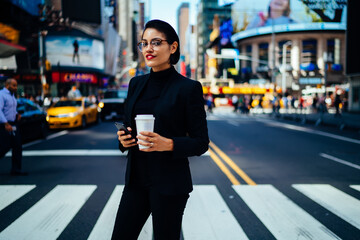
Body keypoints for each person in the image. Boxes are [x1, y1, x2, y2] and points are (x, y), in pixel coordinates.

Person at [112, 19, 209, 240]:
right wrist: (123, 140)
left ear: (173, 47)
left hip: (170, 183)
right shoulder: (136, 84)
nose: (148, 49)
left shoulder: (188, 88)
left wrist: (170, 144)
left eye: (156, 42)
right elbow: (130, 126)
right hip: (136, 181)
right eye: (144, 43)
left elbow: (201, 142)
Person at [0, 78, 27, 176]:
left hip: (13, 124)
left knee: (17, 147)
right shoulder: (1, 95)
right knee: (3, 147)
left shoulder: (12, 96)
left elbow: (10, 109)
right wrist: (5, 123)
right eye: (14, 85)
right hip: (4, 125)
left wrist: (16, 114)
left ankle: (16, 169)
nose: (16, 88)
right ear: (7, 85)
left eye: (16, 85)